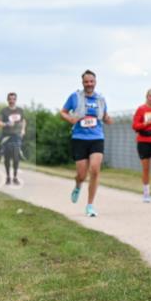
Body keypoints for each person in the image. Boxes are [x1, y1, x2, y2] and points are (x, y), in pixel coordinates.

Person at [60, 70, 111, 217]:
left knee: (94, 170)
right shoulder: (75, 97)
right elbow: (63, 112)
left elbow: (105, 116)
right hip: (79, 138)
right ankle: (78, 185)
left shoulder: (100, 99)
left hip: (97, 137)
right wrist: (69, 118)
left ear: (95, 82)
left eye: (91, 81)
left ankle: (90, 205)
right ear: (82, 83)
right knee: (81, 175)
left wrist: (108, 119)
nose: (89, 84)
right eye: (86, 81)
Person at [0, 92, 26, 185]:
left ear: (16, 100)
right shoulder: (4, 111)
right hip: (7, 136)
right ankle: (8, 177)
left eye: (13, 99)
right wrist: (6, 123)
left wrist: (23, 130)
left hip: (17, 136)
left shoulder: (20, 110)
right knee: (7, 158)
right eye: (10, 99)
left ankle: (15, 177)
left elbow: (23, 120)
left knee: (16, 157)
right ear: (7, 100)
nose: (12, 101)